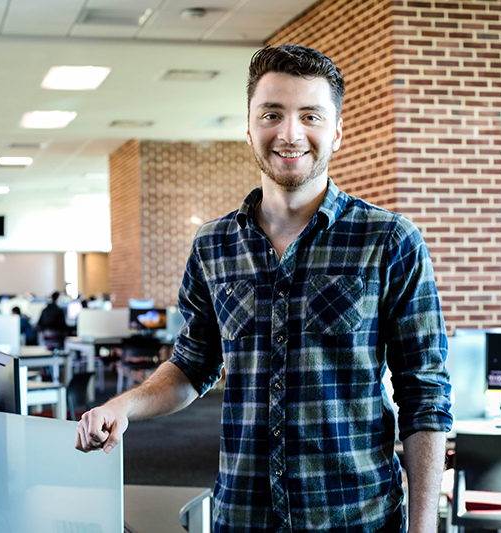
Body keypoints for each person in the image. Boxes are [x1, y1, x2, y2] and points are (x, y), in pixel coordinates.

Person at [75, 44, 452, 533]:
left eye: (310, 115)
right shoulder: (213, 244)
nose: (289, 133)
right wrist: (121, 405)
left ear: (337, 131)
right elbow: (193, 365)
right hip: (242, 515)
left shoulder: (389, 240)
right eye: (272, 114)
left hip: (356, 517)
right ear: (250, 127)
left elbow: (425, 395)